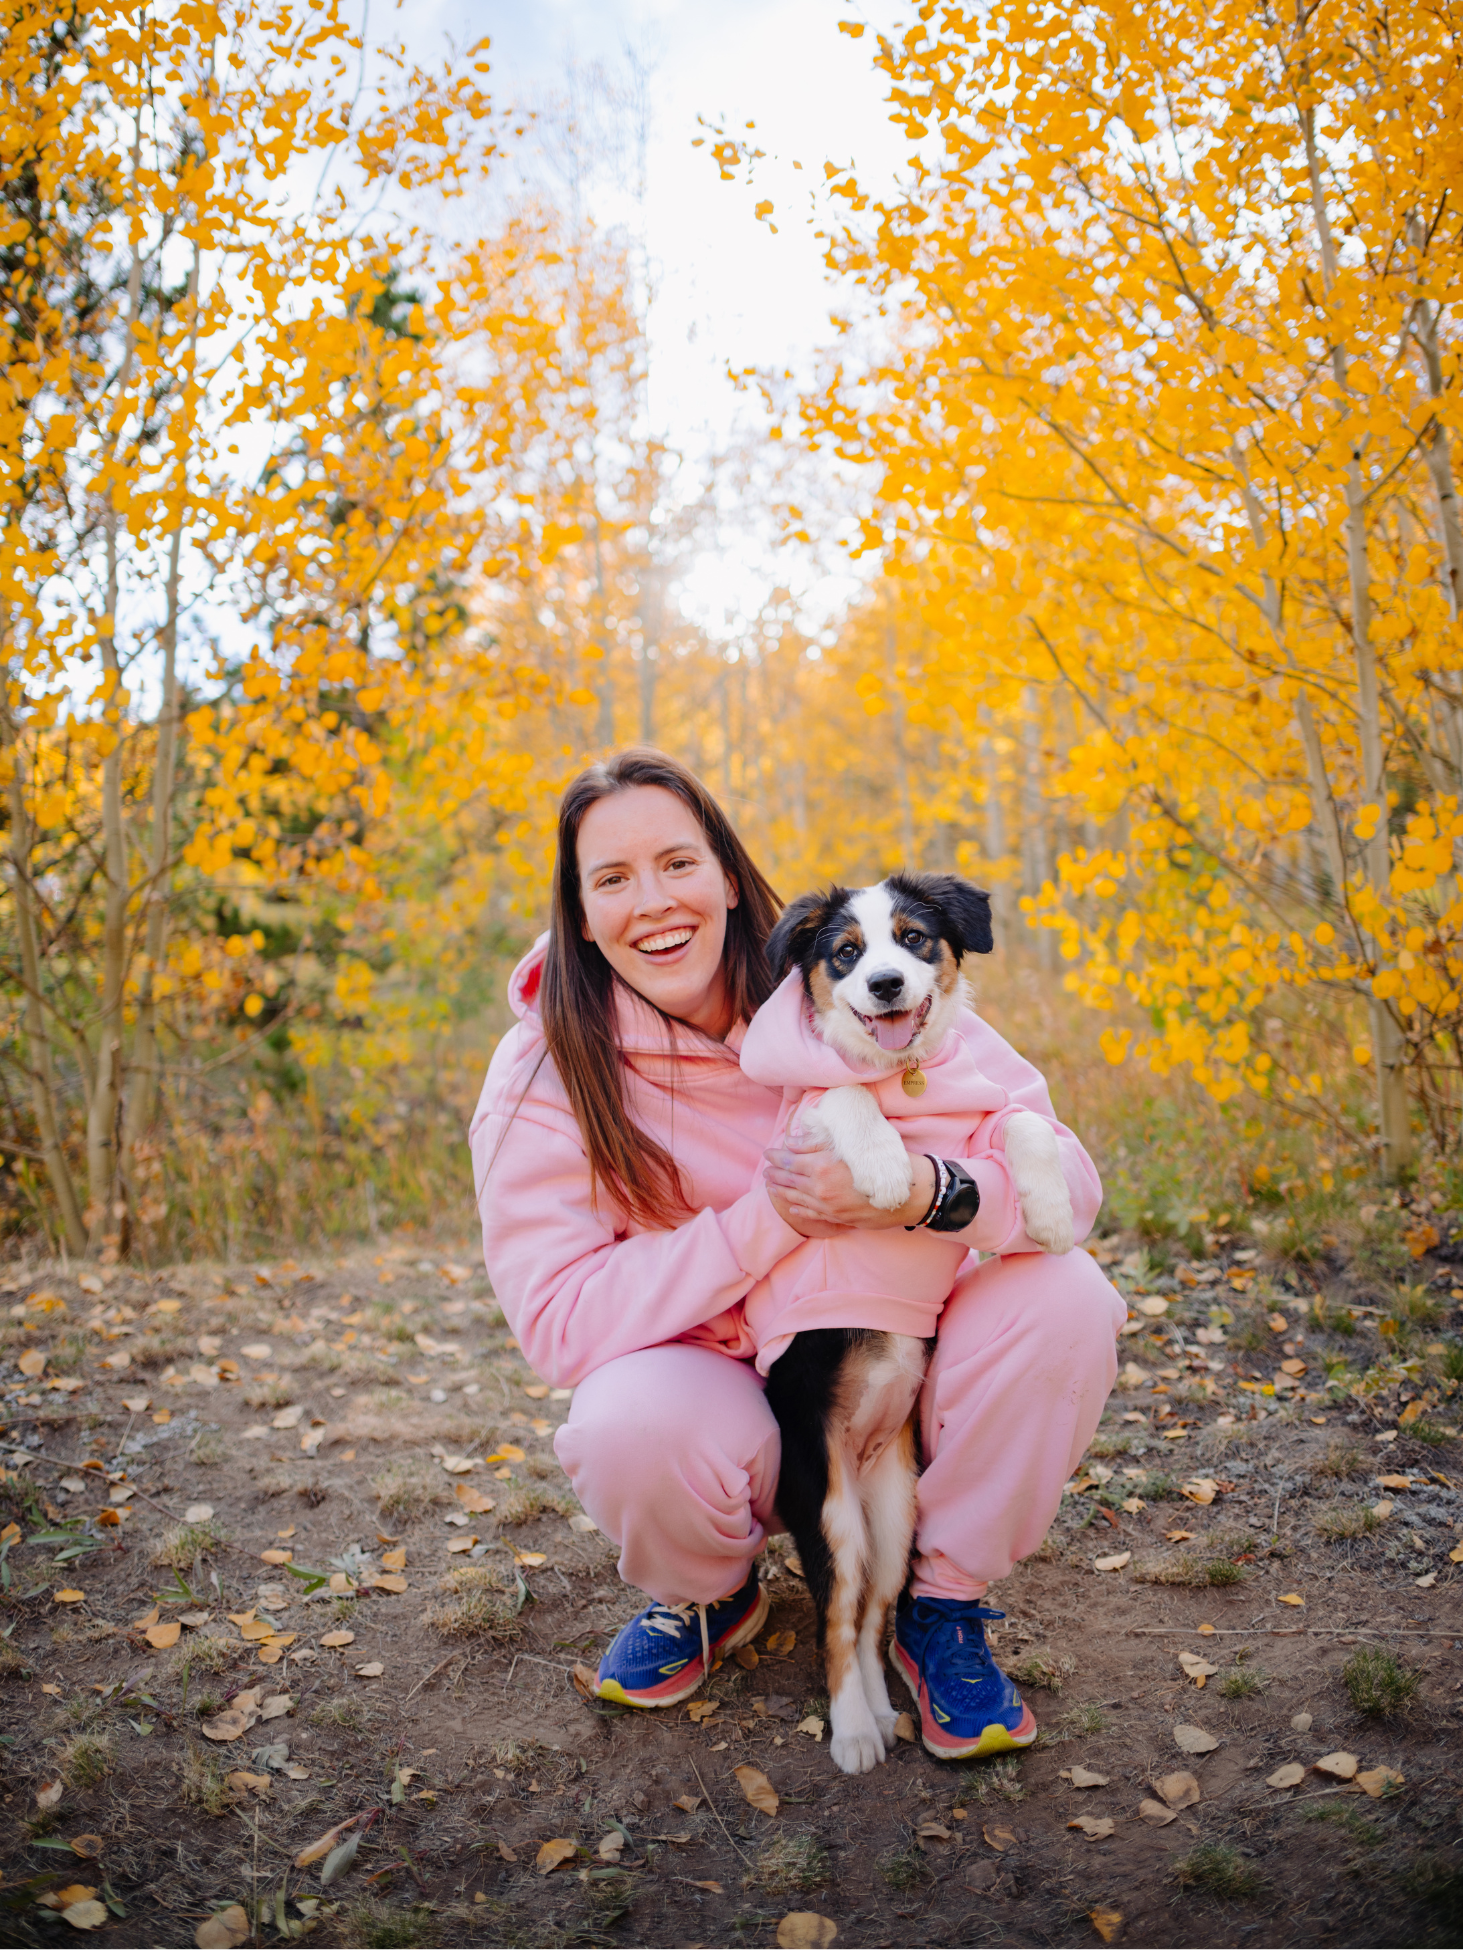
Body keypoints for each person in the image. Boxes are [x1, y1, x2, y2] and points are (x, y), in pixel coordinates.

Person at [469, 749, 1126, 1762]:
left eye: (676, 863)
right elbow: (558, 1322)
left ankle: (935, 1601)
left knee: (1066, 1300)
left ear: (728, 877)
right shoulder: (542, 1069)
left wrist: (930, 1190)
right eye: (611, 878)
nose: (652, 902)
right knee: (628, 1425)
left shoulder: (857, 989)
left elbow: (1065, 1187)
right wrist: (774, 1222)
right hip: (728, 1388)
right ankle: (708, 1592)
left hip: (904, 1349)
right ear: (579, 910)